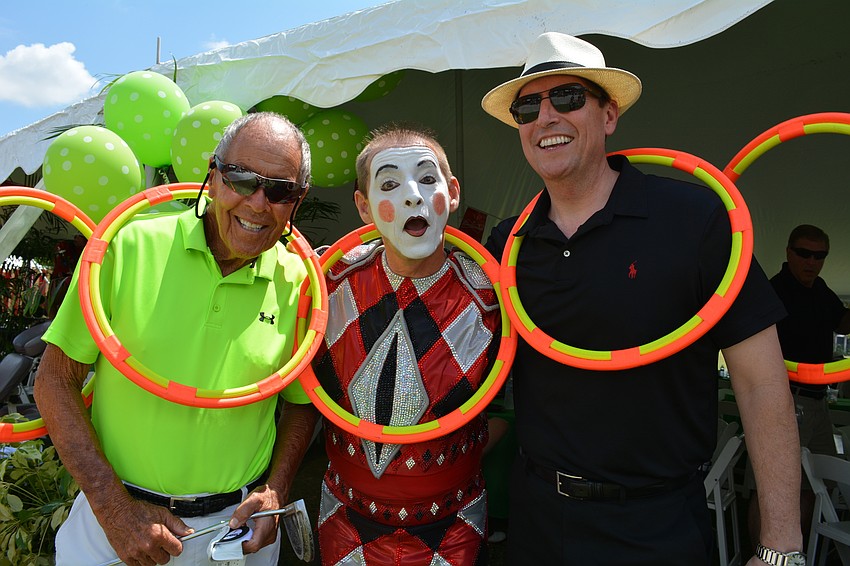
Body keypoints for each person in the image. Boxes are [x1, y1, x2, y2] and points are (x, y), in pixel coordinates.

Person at [480, 32, 804, 565]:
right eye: (527, 108)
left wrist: (781, 546)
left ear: (608, 115)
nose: (545, 118)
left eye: (566, 99)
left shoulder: (694, 219)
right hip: (538, 520)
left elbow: (761, 382)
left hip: (657, 527)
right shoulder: (507, 245)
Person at [34, 112, 320, 566]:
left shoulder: (302, 282)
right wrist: (113, 510)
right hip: (113, 521)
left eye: (281, 190)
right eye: (242, 179)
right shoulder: (128, 246)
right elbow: (54, 380)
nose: (258, 204)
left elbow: (303, 404)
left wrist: (277, 489)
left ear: (297, 201)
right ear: (214, 173)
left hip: (237, 531)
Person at [308, 126, 501, 564]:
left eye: (427, 179)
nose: (413, 196)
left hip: (455, 524)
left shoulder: (492, 299)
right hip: (345, 519)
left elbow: (511, 406)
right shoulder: (324, 286)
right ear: (364, 206)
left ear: (452, 193)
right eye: (390, 183)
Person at [749, 224, 850, 546]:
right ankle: (760, 553)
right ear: (789, 252)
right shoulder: (774, 290)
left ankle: (797, 551)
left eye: (819, 256)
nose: (812, 261)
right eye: (805, 253)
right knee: (772, 487)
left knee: (815, 484)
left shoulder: (820, 290)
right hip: (784, 397)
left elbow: (841, 322)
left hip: (817, 401)